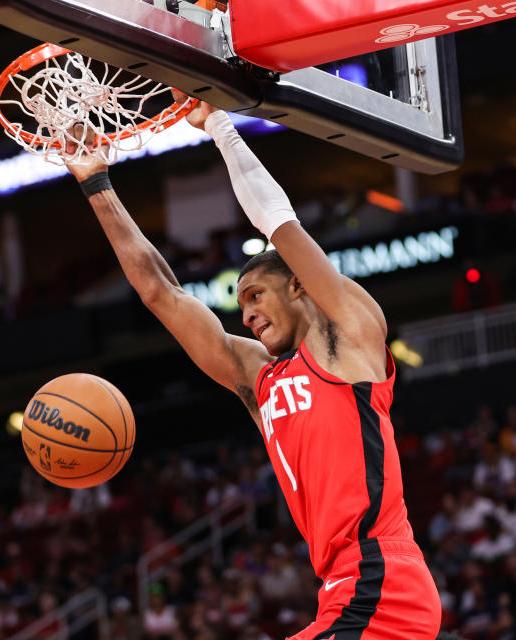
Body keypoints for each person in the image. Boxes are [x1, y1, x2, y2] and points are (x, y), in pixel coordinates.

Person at [62, 96, 442, 638]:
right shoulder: (258, 377)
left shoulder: (348, 337)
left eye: (256, 295)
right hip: (341, 588)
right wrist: (96, 182)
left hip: (383, 581)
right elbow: (161, 294)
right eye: (240, 307)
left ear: (298, 285)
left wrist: (218, 124)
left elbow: (278, 222)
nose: (248, 315)